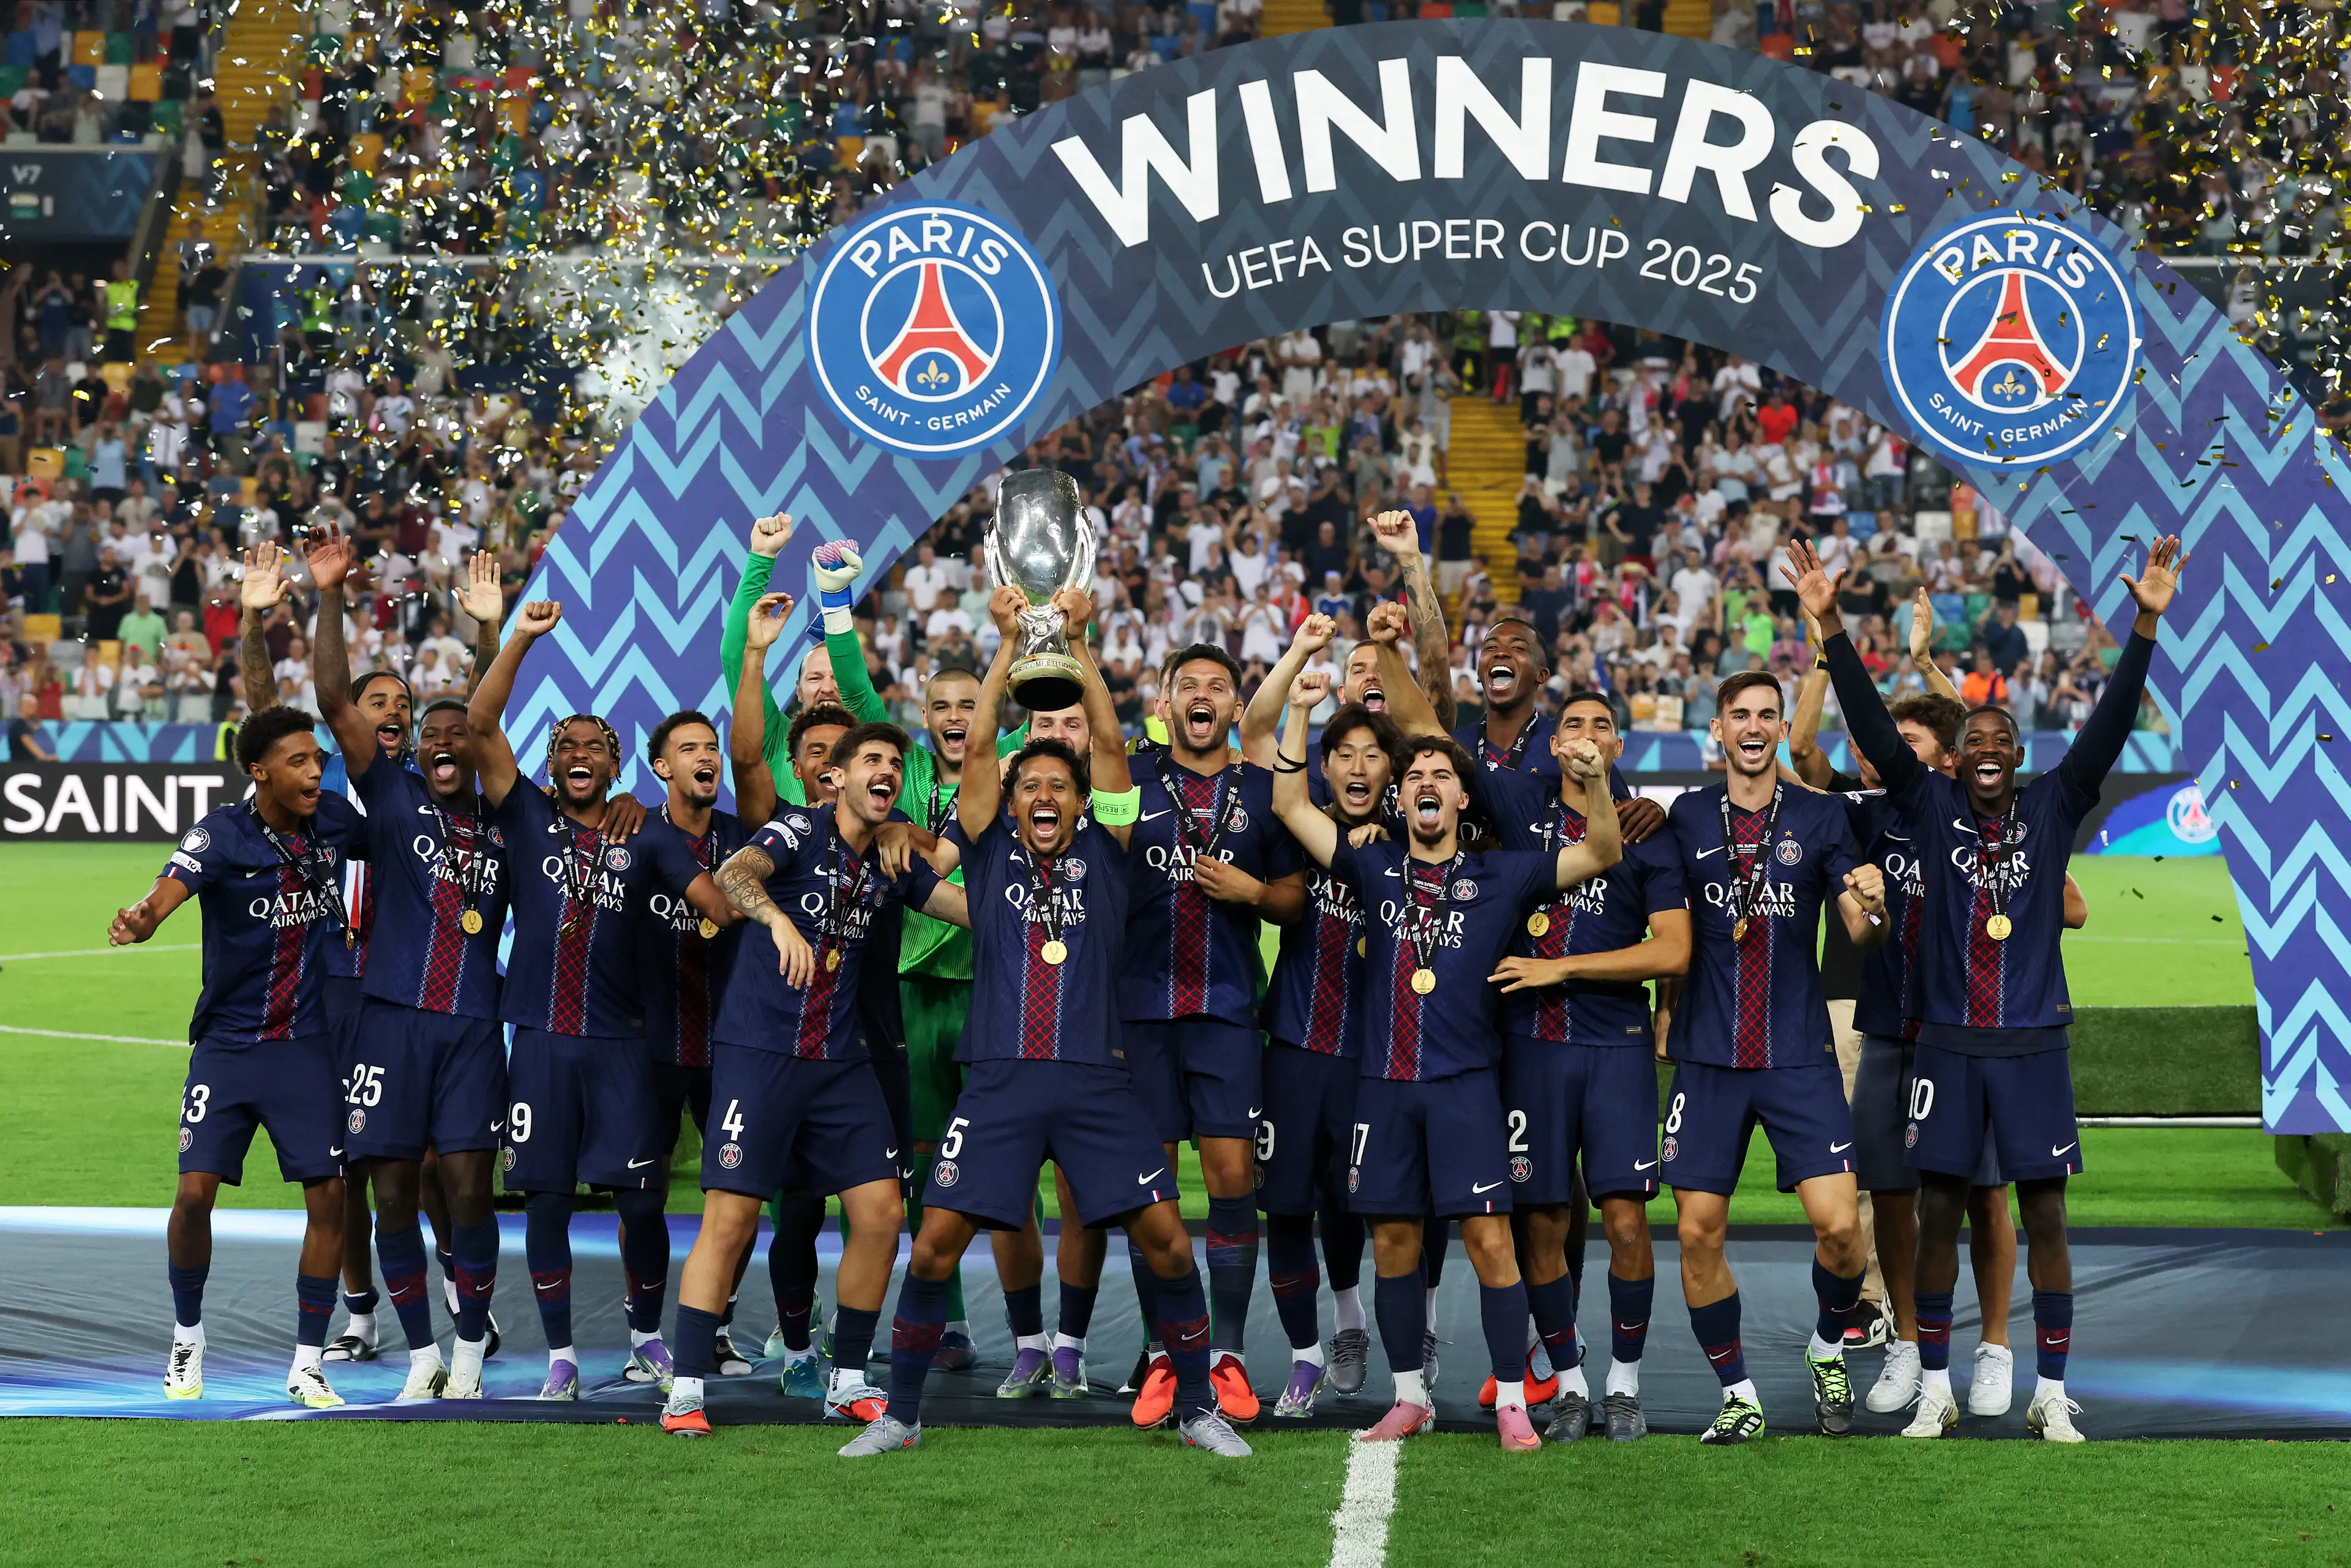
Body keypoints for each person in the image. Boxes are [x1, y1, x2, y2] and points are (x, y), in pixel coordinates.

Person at [842, 583, 1253, 1460]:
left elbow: (1107, 741)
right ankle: (904, 1417)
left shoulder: (1113, 854)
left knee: (1171, 1244)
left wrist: (1073, 644)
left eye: (1056, 786)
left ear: (1082, 802)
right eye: (1028, 783)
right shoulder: (989, 853)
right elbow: (983, 742)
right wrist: (1005, 646)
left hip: (1097, 1081)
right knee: (935, 1250)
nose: (1040, 792)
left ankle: (1195, 1407)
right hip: (998, 1081)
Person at [1798, 533, 2188, 1442]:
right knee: (1938, 1213)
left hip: (2032, 1042)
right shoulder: (1927, 806)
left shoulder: (2054, 803)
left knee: (2042, 1211)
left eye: (1997, 740)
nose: (1983, 750)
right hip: (1944, 1039)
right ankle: (1933, 1380)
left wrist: (2145, 625)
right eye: (1970, 741)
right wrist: (1831, 626)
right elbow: (1877, 728)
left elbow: (2112, 724)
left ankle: (2049, 1389)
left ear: (2016, 754)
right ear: (1954, 759)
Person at [1269, 688, 1622, 1450]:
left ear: (1463, 796)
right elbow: (1292, 805)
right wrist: (1298, 707)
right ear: (1401, 798)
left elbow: (1601, 851)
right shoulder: (1371, 862)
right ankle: (1407, 1396)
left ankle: (1511, 1402)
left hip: (1466, 1088)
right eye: (1414, 775)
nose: (1426, 781)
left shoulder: (1505, 873)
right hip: (1385, 1088)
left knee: (1492, 1241)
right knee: (1394, 1242)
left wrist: (1594, 780)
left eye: (1440, 772)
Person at [1787, 595, 2087, 1419]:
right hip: (1893, 1025)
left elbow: (1982, 741)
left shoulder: (1978, 816)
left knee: (1990, 1195)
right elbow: (1828, 745)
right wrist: (1830, 640)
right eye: (1894, 752)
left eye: (1916, 749)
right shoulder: (1870, 814)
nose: (1892, 761)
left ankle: (1993, 1348)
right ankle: (1913, 1352)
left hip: (1979, 1034)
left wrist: (1926, 666)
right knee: (1893, 1191)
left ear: (1943, 761)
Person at [658, 721, 968, 1438]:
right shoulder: (797, 829)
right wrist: (777, 923)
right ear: (838, 778)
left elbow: (966, 907)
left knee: (883, 1213)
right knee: (731, 1219)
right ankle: (683, 1389)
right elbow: (734, 876)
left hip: (839, 1059)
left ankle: (849, 1379)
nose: (885, 770)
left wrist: (1018, 879)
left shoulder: (893, 856)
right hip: (759, 1052)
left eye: (895, 761)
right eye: (871, 760)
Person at [467, 598, 735, 1400]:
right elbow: (483, 724)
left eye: (596, 746)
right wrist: (519, 636)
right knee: (545, 1202)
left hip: (625, 1046)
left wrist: (754, 895)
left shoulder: (646, 833)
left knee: (641, 1201)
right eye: (566, 745)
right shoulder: (524, 815)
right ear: (552, 763)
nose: (580, 752)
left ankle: (646, 1338)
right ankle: (560, 1356)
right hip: (542, 1041)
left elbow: (716, 905)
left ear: (616, 765)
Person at [296, 523, 509, 1400]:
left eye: (464, 735)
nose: (450, 745)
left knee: (464, 1185)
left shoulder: (507, 819)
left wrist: (493, 635)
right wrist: (332, 594)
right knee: (387, 1189)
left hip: (468, 1024)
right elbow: (335, 695)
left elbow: (488, 714)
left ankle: (467, 1349)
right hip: (387, 1018)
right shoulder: (388, 796)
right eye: (435, 736)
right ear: (415, 750)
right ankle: (419, 1352)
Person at [1651, 669, 1888, 1445]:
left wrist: (1873, 905)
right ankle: (1739, 1391)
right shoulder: (1682, 818)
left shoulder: (1820, 816)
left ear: (1780, 728)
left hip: (1796, 1053)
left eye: (1767, 715)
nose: (1753, 727)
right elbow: (1659, 923)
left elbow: (1858, 930)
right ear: (1716, 730)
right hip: (1709, 1058)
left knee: (1842, 1229)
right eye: (1739, 715)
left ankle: (1827, 1347)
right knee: (1695, 1231)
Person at [108, 705, 361, 1409]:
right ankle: (188, 1336)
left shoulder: (335, 823)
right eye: (299, 762)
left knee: (330, 1196)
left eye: (319, 760)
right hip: (226, 1047)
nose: (315, 772)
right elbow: (168, 890)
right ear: (260, 771)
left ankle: (309, 1360)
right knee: (193, 1196)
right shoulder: (221, 833)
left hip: (305, 1048)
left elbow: (404, 821)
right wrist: (143, 917)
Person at [1480, 691, 1691, 1442]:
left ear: (1618, 745)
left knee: (1628, 1220)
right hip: (1529, 1044)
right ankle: (1567, 1382)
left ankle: (1624, 1385)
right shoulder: (1515, 799)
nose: (1588, 734)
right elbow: (1423, 726)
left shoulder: (1646, 830)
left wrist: (1560, 967)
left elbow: (1672, 949)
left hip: (1615, 1044)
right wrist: (1413, 572)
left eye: (1602, 724)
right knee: (1543, 1217)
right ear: (1553, 742)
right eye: (1574, 723)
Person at [1119, 636, 1304, 1427]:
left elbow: (1297, 899)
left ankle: (1224, 1355)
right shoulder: (1127, 782)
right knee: (1148, 1194)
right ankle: (1166, 1355)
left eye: (1217, 686)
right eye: (1186, 684)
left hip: (1227, 1009)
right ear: (1164, 705)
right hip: (1140, 1012)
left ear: (1235, 707)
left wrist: (1254, 890)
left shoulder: (1262, 792)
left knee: (1233, 1181)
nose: (1202, 696)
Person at [632, 703, 759, 1379]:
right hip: (650, 1044)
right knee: (641, 1195)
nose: (706, 756)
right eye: (689, 748)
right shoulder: (634, 835)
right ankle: (645, 1335)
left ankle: (716, 1327)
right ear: (662, 767)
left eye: (711, 746)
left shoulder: (748, 839)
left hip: (731, 1045)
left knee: (739, 1194)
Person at [7, 692, 54, 759]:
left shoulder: (28, 724)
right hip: (21, 765)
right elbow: (28, 742)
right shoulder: (19, 723)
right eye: (29, 705)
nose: (32, 708)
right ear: (21, 706)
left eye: (34, 706)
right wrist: (45, 757)